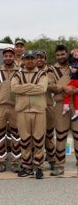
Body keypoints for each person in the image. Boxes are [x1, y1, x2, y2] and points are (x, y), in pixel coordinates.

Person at [11, 50, 47, 179]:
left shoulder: (42, 74)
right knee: (25, 140)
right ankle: (27, 167)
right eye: (27, 58)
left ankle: (39, 167)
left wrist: (24, 89)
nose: (30, 60)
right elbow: (14, 88)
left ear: (36, 60)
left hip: (39, 110)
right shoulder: (17, 74)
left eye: (32, 58)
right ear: (23, 60)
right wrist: (32, 87)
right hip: (22, 110)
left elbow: (42, 88)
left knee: (38, 139)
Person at [0, 47, 21, 173]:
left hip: (15, 107)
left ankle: (15, 162)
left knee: (16, 136)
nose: (8, 58)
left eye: (10, 56)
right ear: (3, 57)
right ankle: (1, 162)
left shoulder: (20, 71)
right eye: (6, 56)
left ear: (13, 57)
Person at [48, 44, 78, 176]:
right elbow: (49, 85)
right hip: (60, 104)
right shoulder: (52, 69)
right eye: (58, 55)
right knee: (60, 135)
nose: (60, 57)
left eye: (63, 54)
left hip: (76, 103)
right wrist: (64, 88)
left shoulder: (76, 64)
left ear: (67, 54)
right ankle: (60, 166)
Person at [36, 50, 56, 170]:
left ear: (45, 59)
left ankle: (52, 159)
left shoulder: (51, 71)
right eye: (37, 57)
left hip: (48, 105)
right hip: (35, 105)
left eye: (41, 57)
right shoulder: (30, 70)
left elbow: (54, 86)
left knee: (49, 135)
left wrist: (43, 83)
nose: (39, 59)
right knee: (37, 136)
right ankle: (38, 161)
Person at [62, 48, 78, 121]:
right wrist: (71, 53)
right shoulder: (73, 61)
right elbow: (68, 59)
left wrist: (77, 69)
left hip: (76, 80)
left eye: (77, 52)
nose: (76, 53)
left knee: (67, 89)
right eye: (75, 53)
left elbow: (75, 70)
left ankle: (66, 106)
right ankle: (77, 111)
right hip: (74, 80)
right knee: (76, 96)